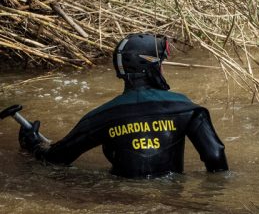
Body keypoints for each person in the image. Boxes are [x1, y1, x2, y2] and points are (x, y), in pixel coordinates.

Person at [18, 33, 228, 178]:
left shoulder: (101, 116)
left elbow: (57, 158)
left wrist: (34, 144)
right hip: (172, 199)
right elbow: (215, 157)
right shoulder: (188, 109)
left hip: (121, 197)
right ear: (153, 68)